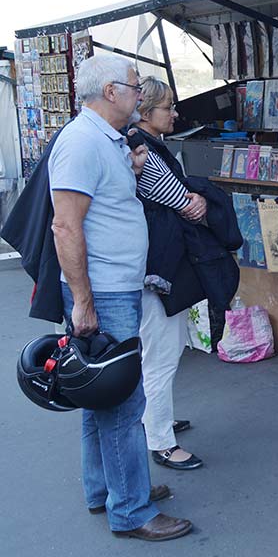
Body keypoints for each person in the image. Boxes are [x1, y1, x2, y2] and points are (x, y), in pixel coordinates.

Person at [48, 54, 191, 541]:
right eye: (133, 86)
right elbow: (65, 225)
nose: (139, 94)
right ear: (110, 92)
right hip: (104, 292)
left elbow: (107, 208)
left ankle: (104, 490)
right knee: (125, 403)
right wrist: (84, 302)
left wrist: (130, 170)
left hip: (113, 287)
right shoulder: (83, 142)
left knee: (100, 396)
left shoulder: (107, 141)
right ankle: (131, 510)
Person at [133, 77, 205, 471]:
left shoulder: (145, 147)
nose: (175, 113)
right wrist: (196, 199)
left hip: (155, 269)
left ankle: (156, 420)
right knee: (161, 354)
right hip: (156, 272)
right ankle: (160, 439)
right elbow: (176, 198)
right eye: (168, 108)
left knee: (163, 349)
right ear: (147, 113)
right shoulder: (143, 150)